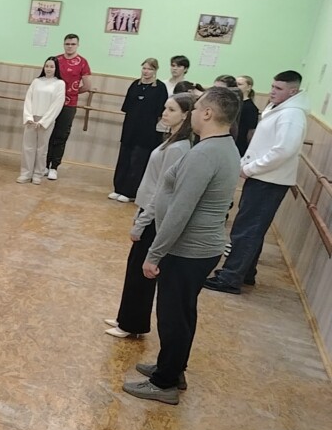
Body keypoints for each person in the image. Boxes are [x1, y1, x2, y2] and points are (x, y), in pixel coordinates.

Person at [122, 87, 242, 405]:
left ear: (208, 113)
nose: (194, 113)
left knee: (172, 316)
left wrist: (154, 253)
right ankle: (172, 369)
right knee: (183, 313)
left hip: (188, 250)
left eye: (197, 107)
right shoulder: (224, 146)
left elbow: (180, 210)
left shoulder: (204, 154)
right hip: (199, 249)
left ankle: (164, 384)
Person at [204, 71, 309, 294]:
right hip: (262, 177)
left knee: (247, 229)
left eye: (279, 88)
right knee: (251, 227)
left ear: (293, 91)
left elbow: (283, 150)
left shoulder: (291, 114)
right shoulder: (279, 109)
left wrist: (251, 168)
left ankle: (230, 277)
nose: (272, 91)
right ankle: (245, 272)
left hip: (268, 181)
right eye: (272, 86)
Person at [104, 93, 195, 339]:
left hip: (153, 216)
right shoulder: (171, 140)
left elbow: (162, 191)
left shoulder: (178, 148)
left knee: (139, 272)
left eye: (171, 110)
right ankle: (126, 316)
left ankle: (131, 323)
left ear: (185, 115)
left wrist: (142, 221)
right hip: (147, 209)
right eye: (165, 108)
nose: (165, 113)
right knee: (134, 268)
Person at [109, 58, 169, 203]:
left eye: (150, 69)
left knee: (138, 161)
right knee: (124, 158)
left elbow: (160, 112)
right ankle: (118, 188)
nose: (146, 71)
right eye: (144, 68)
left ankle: (130, 192)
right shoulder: (135, 85)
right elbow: (127, 107)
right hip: (130, 129)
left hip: (147, 131)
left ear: (155, 71)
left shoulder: (160, 88)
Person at [47, 34, 92, 180]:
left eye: (73, 44)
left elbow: (87, 85)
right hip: (51, 102)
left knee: (61, 135)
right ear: (63, 44)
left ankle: (54, 166)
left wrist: (72, 92)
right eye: (67, 44)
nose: (70, 46)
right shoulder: (56, 60)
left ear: (77, 45)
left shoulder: (82, 62)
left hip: (69, 104)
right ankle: (44, 164)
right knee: (47, 132)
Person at [17, 57, 65, 184]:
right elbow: (28, 99)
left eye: (52, 67)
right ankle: (26, 173)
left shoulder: (60, 84)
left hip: (46, 121)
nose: (49, 69)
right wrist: (29, 117)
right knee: (28, 147)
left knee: (42, 149)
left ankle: (38, 174)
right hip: (32, 119)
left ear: (56, 68)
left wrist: (44, 121)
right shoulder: (36, 81)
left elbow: (57, 104)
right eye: (47, 66)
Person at [160, 55, 189, 140]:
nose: (174, 68)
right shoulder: (162, 84)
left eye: (179, 66)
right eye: (173, 65)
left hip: (177, 125)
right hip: (160, 124)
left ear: (185, 69)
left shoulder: (186, 86)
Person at [234, 75, 260, 156]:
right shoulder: (233, 103)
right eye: (235, 84)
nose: (236, 87)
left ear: (249, 87)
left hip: (240, 145)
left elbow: (251, 132)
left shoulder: (250, 108)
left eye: (239, 84)